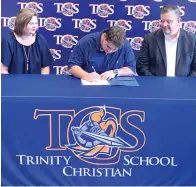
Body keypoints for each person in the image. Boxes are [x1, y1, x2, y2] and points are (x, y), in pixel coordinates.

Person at [136, 5, 196, 76]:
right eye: (162, 21)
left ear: (179, 21)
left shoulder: (192, 40)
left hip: (184, 85)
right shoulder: (149, 39)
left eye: (168, 21)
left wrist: (185, 83)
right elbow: (141, 66)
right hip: (155, 85)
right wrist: (154, 82)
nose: (164, 24)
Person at [68, 26, 136, 81]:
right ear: (104, 36)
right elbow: (72, 67)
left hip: (115, 84)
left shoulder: (125, 44)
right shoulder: (86, 42)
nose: (109, 51)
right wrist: (85, 75)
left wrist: (115, 72)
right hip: (90, 83)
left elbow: (131, 68)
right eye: (108, 46)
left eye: (114, 49)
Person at [1, 8, 53, 74]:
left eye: (36, 23)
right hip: (14, 83)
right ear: (21, 23)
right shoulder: (8, 41)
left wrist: (41, 82)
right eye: (31, 23)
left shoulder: (40, 40)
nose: (34, 26)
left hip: (35, 82)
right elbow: (3, 69)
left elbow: (45, 67)